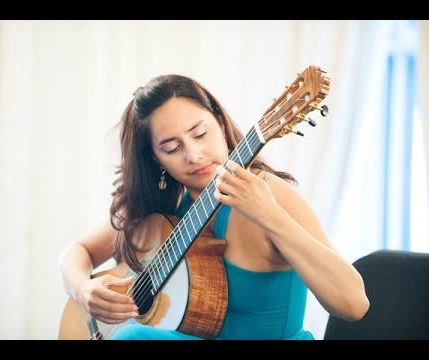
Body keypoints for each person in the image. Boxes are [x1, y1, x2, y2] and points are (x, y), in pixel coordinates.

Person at [58, 74, 370, 340]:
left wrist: (269, 215)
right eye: (172, 147)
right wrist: (83, 290)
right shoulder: (161, 207)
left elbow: (354, 303)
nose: (193, 155)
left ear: (220, 123)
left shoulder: (271, 194)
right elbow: (75, 252)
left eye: (199, 133)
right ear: (155, 158)